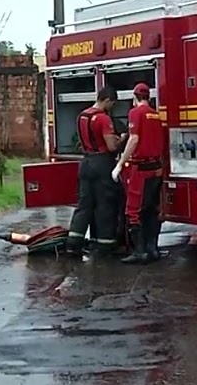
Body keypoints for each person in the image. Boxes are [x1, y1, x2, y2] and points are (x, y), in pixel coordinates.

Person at [65, 86, 124, 256]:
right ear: (107, 100)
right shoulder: (103, 119)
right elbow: (111, 146)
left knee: (84, 204)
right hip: (102, 163)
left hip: (86, 163)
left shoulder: (82, 116)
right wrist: (123, 140)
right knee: (105, 204)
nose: (111, 107)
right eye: (111, 103)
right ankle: (104, 244)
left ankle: (73, 243)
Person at [112, 82, 166, 264]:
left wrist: (120, 163)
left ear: (134, 98)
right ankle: (153, 249)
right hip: (156, 168)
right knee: (151, 209)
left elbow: (134, 139)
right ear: (149, 98)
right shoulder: (156, 115)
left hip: (140, 169)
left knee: (133, 210)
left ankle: (140, 252)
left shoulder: (135, 113)